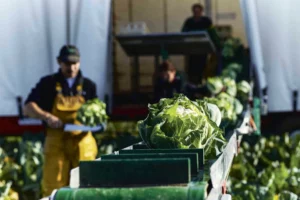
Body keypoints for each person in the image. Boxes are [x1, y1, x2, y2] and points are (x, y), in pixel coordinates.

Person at [24, 45, 98, 197]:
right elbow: (28, 107)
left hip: (82, 142)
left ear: (80, 62)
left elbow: (99, 114)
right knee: (53, 186)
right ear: (59, 62)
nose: (71, 67)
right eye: (67, 63)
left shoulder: (89, 86)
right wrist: (47, 117)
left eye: (74, 63)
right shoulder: (47, 83)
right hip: (56, 141)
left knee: (86, 185)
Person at [182, 4, 213, 84]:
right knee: (191, 70)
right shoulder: (189, 21)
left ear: (201, 12)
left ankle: (202, 86)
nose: (197, 13)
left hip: (203, 50)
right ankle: (191, 87)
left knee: (203, 68)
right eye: (195, 11)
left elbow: (212, 33)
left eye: (198, 11)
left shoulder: (206, 21)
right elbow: (183, 33)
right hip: (191, 50)